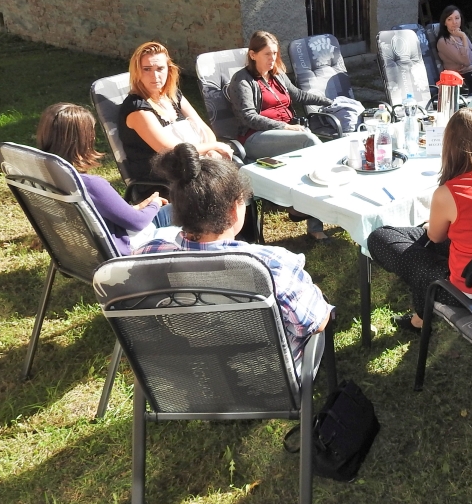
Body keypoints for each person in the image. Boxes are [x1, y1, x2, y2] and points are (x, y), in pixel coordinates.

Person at [135, 143, 332, 360]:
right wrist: (312, 290)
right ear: (233, 211)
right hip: (263, 373)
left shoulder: (147, 256)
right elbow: (316, 323)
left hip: (187, 372)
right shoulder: (272, 265)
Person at [367, 108, 472, 333]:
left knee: (381, 238)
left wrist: (432, 226)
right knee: (421, 243)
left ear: (449, 145)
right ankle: (420, 314)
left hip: (470, 291)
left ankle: (420, 318)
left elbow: (436, 236)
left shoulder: (447, 193)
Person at [36, 103, 178, 255]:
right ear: (83, 139)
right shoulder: (90, 184)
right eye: (91, 132)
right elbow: (137, 222)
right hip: (129, 246)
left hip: (91, 250)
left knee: (180, 208)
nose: (94, 137)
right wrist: (155, 203)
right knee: (189, 213)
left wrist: (138, 207)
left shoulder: (43, 177)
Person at [230, 30, 332, 240]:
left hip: (285, 135)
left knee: (309, 148)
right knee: (309, 141)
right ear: (253, 54)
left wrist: (330, 102)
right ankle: (314, 213)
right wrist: (284, 127)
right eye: (267, 54)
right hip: (255, 138)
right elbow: (248, 117)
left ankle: (307, 215)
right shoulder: (242, 80)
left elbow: (298, 95)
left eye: (275, 53)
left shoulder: (276, 75)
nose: (272, 58)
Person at [118, 41, 233, 195]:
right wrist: (214, 146)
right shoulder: (137, 109)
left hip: (189, 168)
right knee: (227, 190)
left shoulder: (172, 95)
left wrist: (211, 149)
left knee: (237, 182)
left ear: (169, 69)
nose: (155, 76)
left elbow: (203, 128)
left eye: (160, 68)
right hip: (162, 182)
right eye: (147, 69)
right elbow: (172, 150)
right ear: (137, 72)